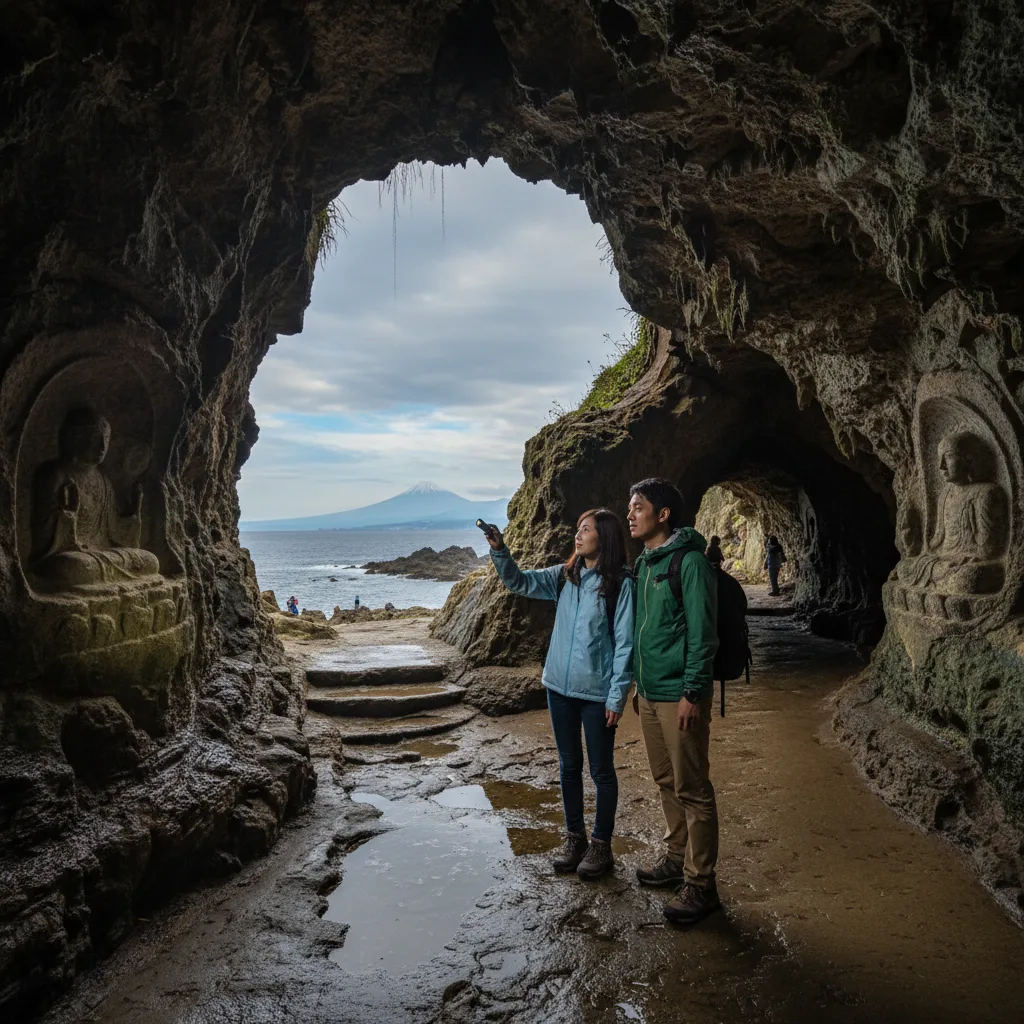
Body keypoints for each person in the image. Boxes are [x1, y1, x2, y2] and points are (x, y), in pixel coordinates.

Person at [484, 510, 634, 879]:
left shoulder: (619, 584)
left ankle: (601, 846)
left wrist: (616, 696)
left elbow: (626, 644)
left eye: (586, 529)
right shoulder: (564, 576)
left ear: (605, 538)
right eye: (578, 528)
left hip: (597, 693)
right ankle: (575, 839)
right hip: (559, 689)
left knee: (600, 770)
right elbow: (519, 582)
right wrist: (500, 551)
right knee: (568, 767)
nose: (578, 535)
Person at [627, 477, 721, 926]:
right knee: (665, 780)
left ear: (663, 514)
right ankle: (676, 857)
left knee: (693, 789)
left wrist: (692, 692)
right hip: (648, 693)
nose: (630, 514)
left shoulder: (690, 563)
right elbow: (642, 631)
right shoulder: (645, 564)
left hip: (679, 695)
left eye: (638, 506)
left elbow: (703, 636)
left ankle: (701, 885)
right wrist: (636, 686)